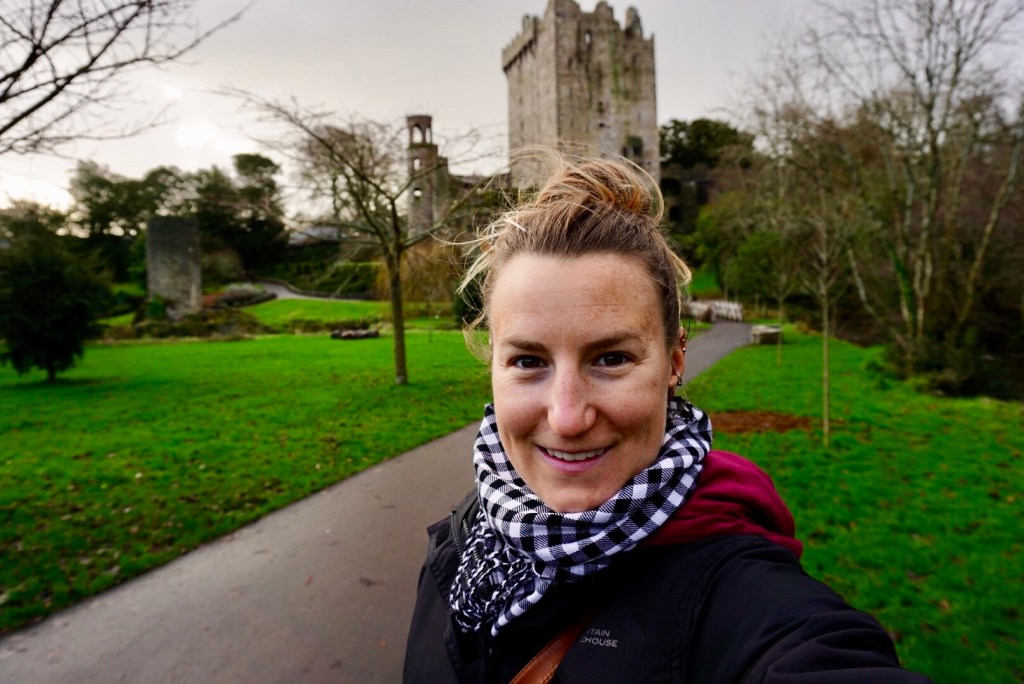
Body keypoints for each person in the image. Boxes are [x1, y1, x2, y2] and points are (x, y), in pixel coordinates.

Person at [403, 154, 931, 683]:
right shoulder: (466, 533)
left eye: (611, 358)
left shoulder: (742, 600)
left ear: (675, 361)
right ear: (492, 365)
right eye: (528, 361)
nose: (567, 418)